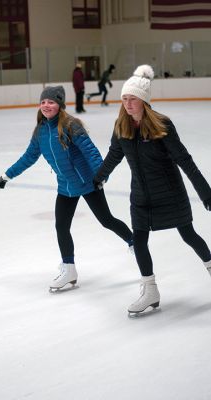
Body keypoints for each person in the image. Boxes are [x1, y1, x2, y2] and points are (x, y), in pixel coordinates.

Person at [93, 65, 211, 315]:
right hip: (141, 197)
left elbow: (184, 160)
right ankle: (150, 290)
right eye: (124, 98)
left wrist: (205, 192)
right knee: (140, 240)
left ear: (143, 101)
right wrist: (99, 178)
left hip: (170, 194)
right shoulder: (121, 126)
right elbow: (115, 155)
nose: (127, 103)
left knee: (188, 235)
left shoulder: (161, 124)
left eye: (132, 98)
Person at [0, 85, 133, 292]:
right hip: (66, 187)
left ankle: (134, 242)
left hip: (89, 183)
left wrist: (101, 176)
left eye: (50, 102)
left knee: (106, 220)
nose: (46, 105)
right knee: (61, 227)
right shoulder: (41, 131)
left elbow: (91, 152)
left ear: (59, 105)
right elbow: (29, 157)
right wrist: (7, 175)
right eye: (43, 102)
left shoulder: (71, 125)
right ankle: (69, 269)